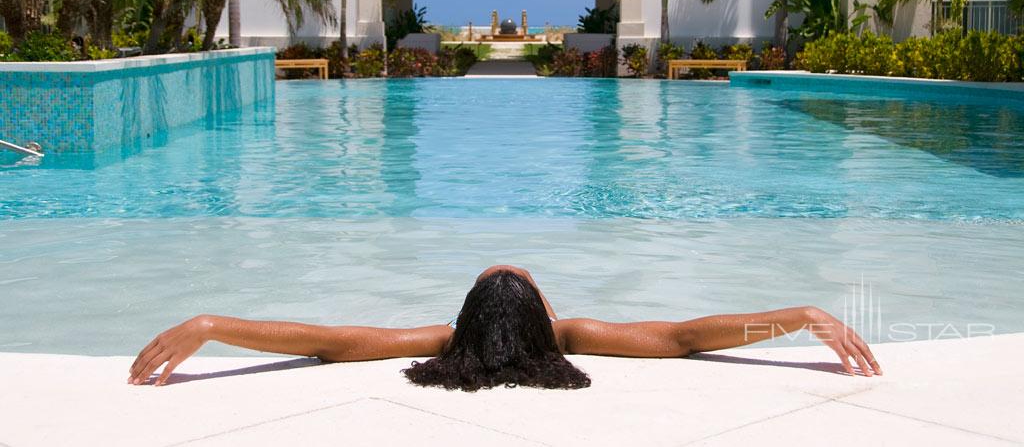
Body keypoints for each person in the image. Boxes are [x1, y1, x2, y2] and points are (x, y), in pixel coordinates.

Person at [128, 265, 881, 390]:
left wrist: (212, 322)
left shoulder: (441, 343)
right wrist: (798, 316)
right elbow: (687, 337)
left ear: (462, 322)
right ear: (546, 315)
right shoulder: (571, 335)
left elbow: (327, 341)